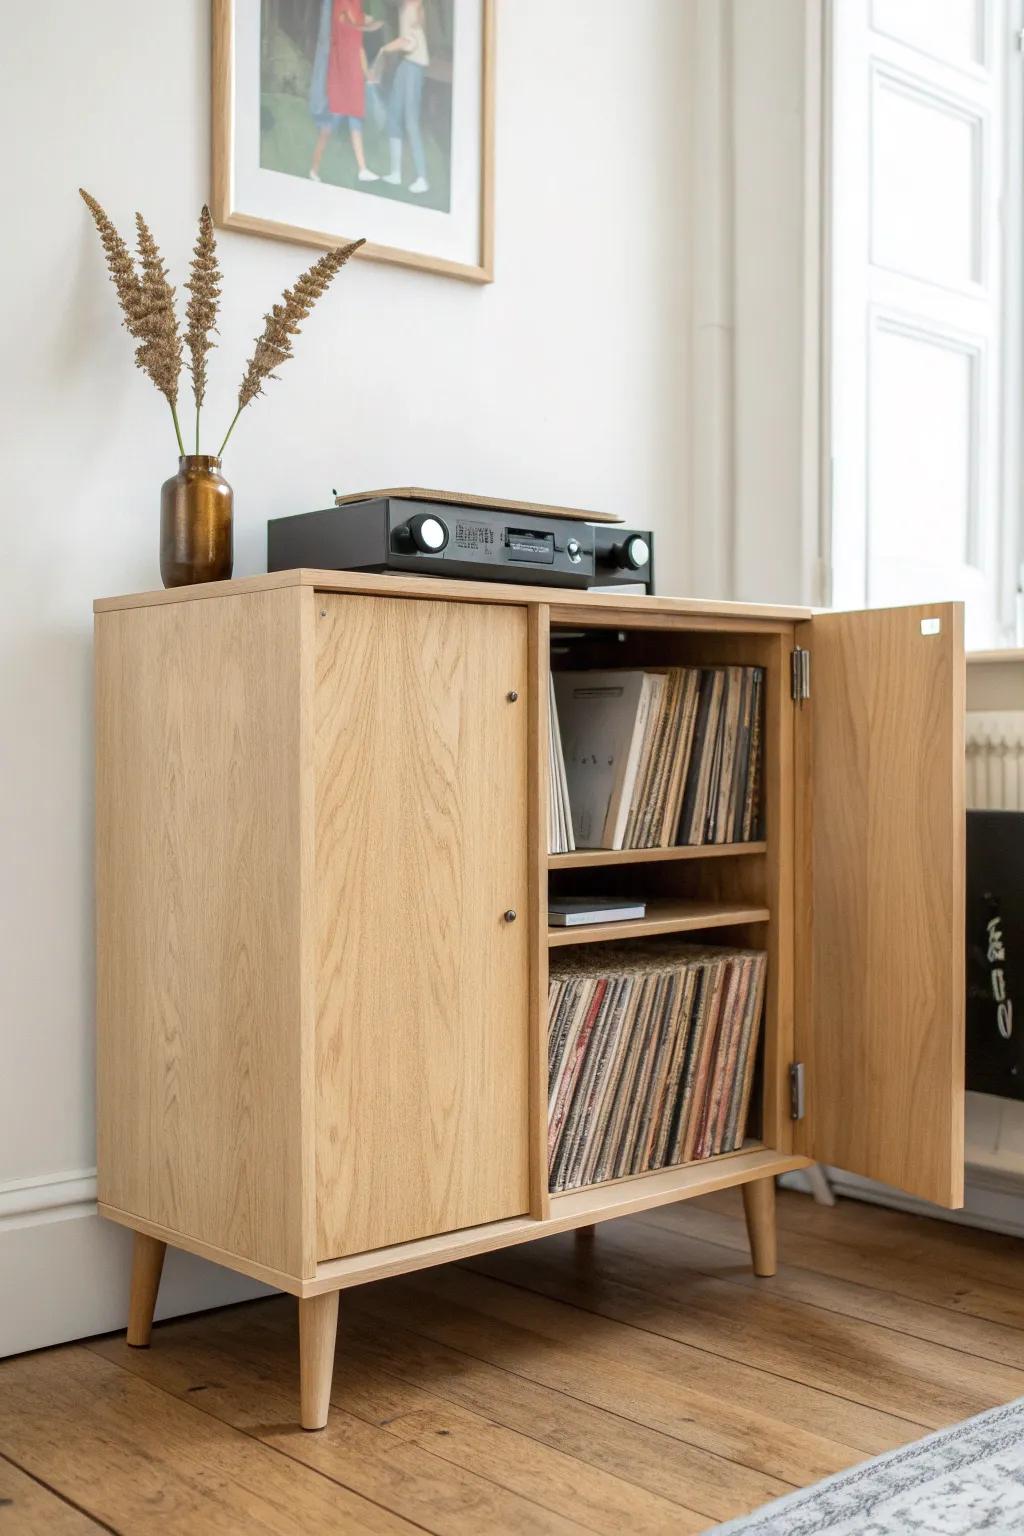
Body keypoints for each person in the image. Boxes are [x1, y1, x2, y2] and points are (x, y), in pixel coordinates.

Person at [308, 0, 383, 185]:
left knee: (355, 121)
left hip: (353, 75)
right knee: (328, 127)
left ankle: (362, 169)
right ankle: (314, 169)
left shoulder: (356, 6)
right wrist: (369, 24)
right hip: (341, 75)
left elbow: (359, 48)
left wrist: (367, 74)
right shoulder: (341, 4)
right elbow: (349, 22)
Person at [374, 0, 430, 195]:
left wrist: (386, 48)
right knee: (394, 115)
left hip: (414, 65)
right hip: (407, 64)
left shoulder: (410, 7)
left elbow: (409, 43)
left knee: (410, 121)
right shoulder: (404, 7)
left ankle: (422, 178)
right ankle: (395, 173)